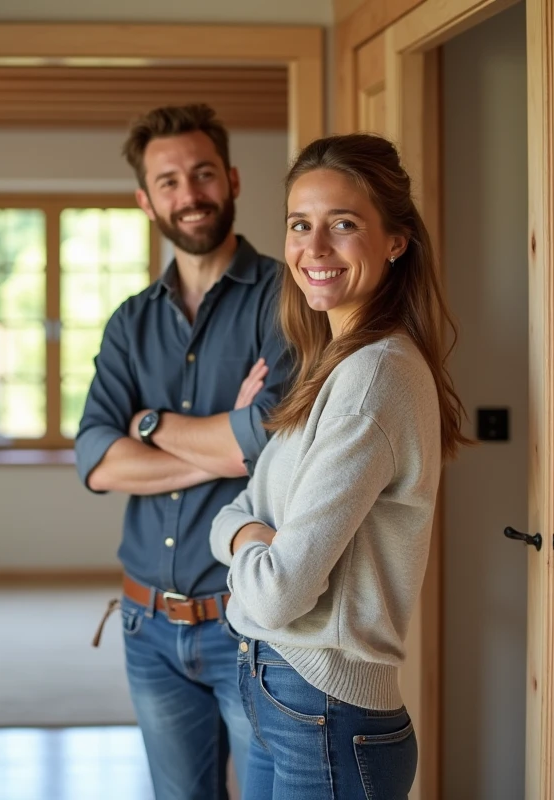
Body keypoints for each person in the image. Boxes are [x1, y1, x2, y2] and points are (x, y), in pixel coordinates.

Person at [209, 133, 471, 799]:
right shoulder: (332, 367)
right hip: (284, 696)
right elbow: (239, 515)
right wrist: (250, 536)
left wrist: (247, 538)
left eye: (343, 224)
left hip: (322, 710)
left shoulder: (372, 378)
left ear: (395, 240)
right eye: (300, 225)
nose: (314, 249)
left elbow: (277, 591)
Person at [74, 104, 295, 799]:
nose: (189, 193)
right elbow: (97, 461)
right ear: (146, 200)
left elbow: (264, 436)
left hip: (247, 622)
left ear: (230, 179)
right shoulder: (131, 322)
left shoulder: (286, 299)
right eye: (167, 181)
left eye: (202, 174)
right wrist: (219, 438)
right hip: (146, 626)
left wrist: (149, 423)